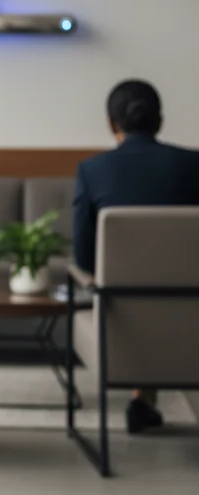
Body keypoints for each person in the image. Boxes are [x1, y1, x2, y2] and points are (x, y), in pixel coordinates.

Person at [73, 78, 199, 434]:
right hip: (190, 310)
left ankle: (141, 397)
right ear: (159, 120)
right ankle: (143, 399)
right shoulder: (194, 166)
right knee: (167, 290)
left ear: (112, 124)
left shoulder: (92, 171)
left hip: (124, 317)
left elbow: (83, 258)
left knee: (129, 296)